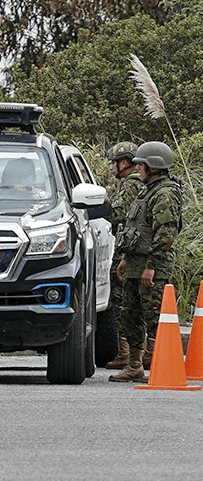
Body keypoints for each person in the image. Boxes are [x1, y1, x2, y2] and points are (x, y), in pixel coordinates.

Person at [110, 141, 183, 382]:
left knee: (154, 317)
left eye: (140, 165)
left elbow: (166, 234)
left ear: (153, 167)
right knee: (130, 314)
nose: (137, 169)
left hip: (153, 265)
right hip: (134, 263)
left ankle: (161, 365)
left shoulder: (165, 193)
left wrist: (151, 266)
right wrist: (125, 259)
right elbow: (135, 228)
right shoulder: (146, 190)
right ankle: (135, 366)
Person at [103, 142, 144, 370]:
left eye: (113, 163)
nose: (111, 168)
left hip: (127, 250)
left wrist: (103, 209)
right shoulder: (143, 183)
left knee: (121, 299)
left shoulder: (130, 185)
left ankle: (126, 353)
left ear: (125, 163)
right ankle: (138, 353)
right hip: (138, 249)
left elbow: (118, 215)